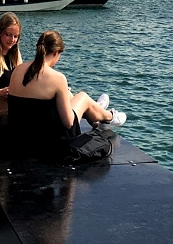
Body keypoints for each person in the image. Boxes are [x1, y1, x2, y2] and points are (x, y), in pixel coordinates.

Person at [7, 30, 126, 158]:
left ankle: (96, 111)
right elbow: (68, 123)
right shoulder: (57, 78)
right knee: (82, 97)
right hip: (49, 143)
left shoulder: (18, 70)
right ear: (56, 53)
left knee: (67, 94)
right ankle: (109, 117)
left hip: (20, 139)